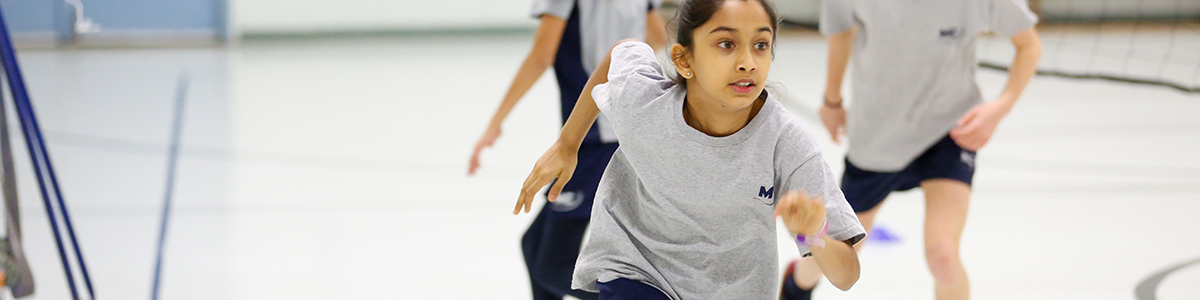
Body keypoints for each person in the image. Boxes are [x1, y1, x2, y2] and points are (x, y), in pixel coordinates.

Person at [513, 0, 867, 298]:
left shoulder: (787, 143)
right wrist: (567, 143)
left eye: (761, 45)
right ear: (683, 60)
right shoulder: (645, 104)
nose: (748, 62)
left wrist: (815, 233)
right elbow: (620, 55)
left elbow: (846, 276)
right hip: (636, 270)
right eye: (726, 44)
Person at [780, 0, 1042, 299]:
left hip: (950, 129)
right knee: (840, 252)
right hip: (878, 134)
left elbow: (1029, 45)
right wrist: (832, 100)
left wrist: (999, 108)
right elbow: (841, 33)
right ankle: (796, 284)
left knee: (942, 255)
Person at [468, 0, 667, 299]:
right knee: (533, 245)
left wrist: (495, 123)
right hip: (616, 129)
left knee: (551, 266)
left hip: (595, 138)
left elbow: (541, 56)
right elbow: (658, 37)